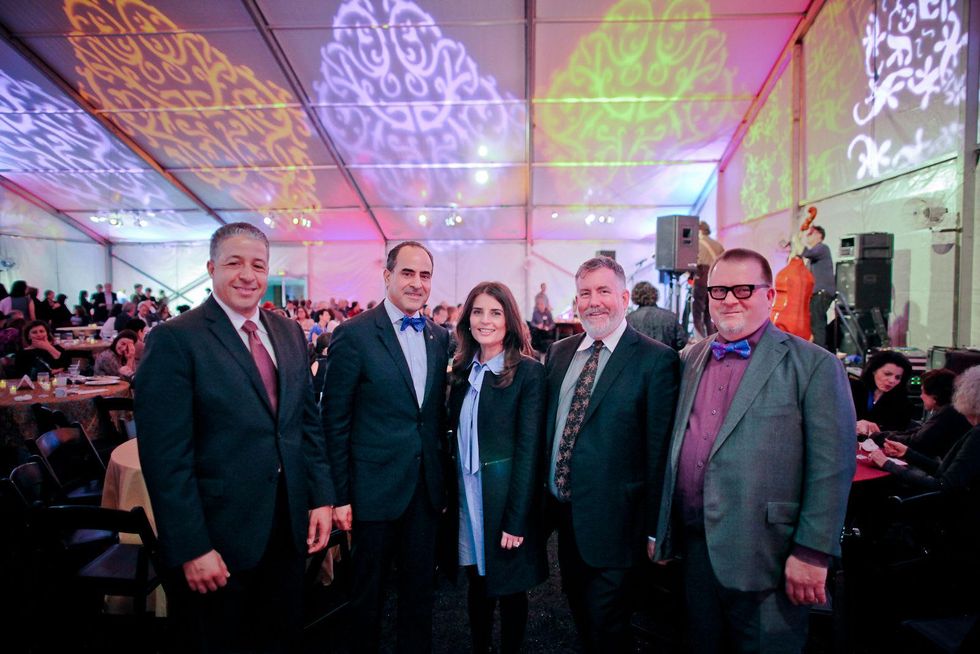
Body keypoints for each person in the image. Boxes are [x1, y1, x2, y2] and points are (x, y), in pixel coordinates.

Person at [135, 223, 335, 652]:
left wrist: (321, 497)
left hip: (286, 526)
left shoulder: (288, 333)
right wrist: (192, 547)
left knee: (280, 637)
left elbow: (306, 424)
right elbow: (165, 458)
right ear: (211, 268)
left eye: (258, 265)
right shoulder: (176, 339)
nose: (247, 274)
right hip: (218, 538)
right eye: (234, 263)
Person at [653, 248, 856, 653]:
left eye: (744, 289)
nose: (730, 299)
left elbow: (831, 468)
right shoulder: (690, 358)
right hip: (697, 548)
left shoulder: (814, 366)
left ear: (770, 295)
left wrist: (812, 552)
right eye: (719, 290)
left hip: (770, 555)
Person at [544, 256, 679, 652]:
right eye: (585, 293)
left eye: (603, 291)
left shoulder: (655, 360)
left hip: (619, 523)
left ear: (624, 297)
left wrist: (658, 528)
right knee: (581, 615)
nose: (593, 301)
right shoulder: (559, 353)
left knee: (609, 629)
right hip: (566, 519)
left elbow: (659, 453)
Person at [322, 241, 451, 653]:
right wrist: (338, 496)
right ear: (388, 276)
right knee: (367, 598)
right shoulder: (354, 335)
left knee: (419, 596)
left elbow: (430, 418)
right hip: (371, 490)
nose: (417, 283)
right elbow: (335, 421)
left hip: (424, 489)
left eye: (425, 275)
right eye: (408, 273)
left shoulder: (440, 337)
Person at [446, 282, 547, 654]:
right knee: (477, 584)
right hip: (467, 498)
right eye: (477, 311)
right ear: (467, 318)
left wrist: (516, 519)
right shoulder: (461, 371)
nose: (485, 320)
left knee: (509, 589)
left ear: (510, 320)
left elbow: (529, 451)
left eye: (495, 312)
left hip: (504, 501)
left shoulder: (528, 374)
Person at [869, 366, 980, 491]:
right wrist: (908, 453)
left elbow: (943, 485)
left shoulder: (976, 434)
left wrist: (887, 464)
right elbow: (945, 470)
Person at [872, 368, 971, 459]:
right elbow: (919, 432)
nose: (921, 396)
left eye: (923, 392)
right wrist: (882, 434)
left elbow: (915, 442)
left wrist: (876, 436)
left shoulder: (948, 413)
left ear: (934, 397)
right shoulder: (951, 409)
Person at [851, 350, 915, 436]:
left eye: (897, 377)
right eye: (887, 374)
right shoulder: (852, 389)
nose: (892, 380)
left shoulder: (903, 404)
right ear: (874, 370)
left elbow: (898, 435)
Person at [801, 225, 836, 350]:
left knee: (817, 324)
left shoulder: (822, 248)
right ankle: (821, 349)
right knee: (818, 322)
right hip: (820, 293)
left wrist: (797, 242)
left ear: (819, 235)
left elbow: (806, 253)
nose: (808, 236)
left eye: (811, 233)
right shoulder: (817, 253)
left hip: (822, 292)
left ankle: (819, 352)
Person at [626, 281, 687, 350]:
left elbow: (624, 343)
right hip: (665, 359)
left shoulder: (629, 319)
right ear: (654, 295)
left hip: (638, 359)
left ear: (635, 297)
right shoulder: (670, 316)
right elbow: (681, 342)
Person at [692, 221, 724, 338]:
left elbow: (695, 263)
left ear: (699, 231)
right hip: (716, 282)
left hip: (701, 279)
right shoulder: (717, 245)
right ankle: (713, 339)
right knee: (709, 313)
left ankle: (700, 341)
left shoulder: (697, 244)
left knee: (697, 313)